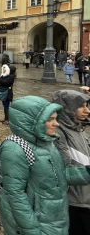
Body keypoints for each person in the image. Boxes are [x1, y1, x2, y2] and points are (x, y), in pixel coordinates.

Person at [0, 96, 90, 235]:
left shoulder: (47, 143)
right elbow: (15, 196)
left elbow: (59, 175)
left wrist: (87, 172)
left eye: (55, 118)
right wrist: (32, 231)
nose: (57, 124)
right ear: (31, 122)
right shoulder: (15, 149)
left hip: (54, 218)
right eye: (50, 120)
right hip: (37, 223)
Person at [51, 90, 90, 234]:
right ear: (68, 109)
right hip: (75, 200)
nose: (87, 110)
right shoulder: (60, 133)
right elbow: (63, 170)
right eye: (82, 106)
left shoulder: (79, 128)